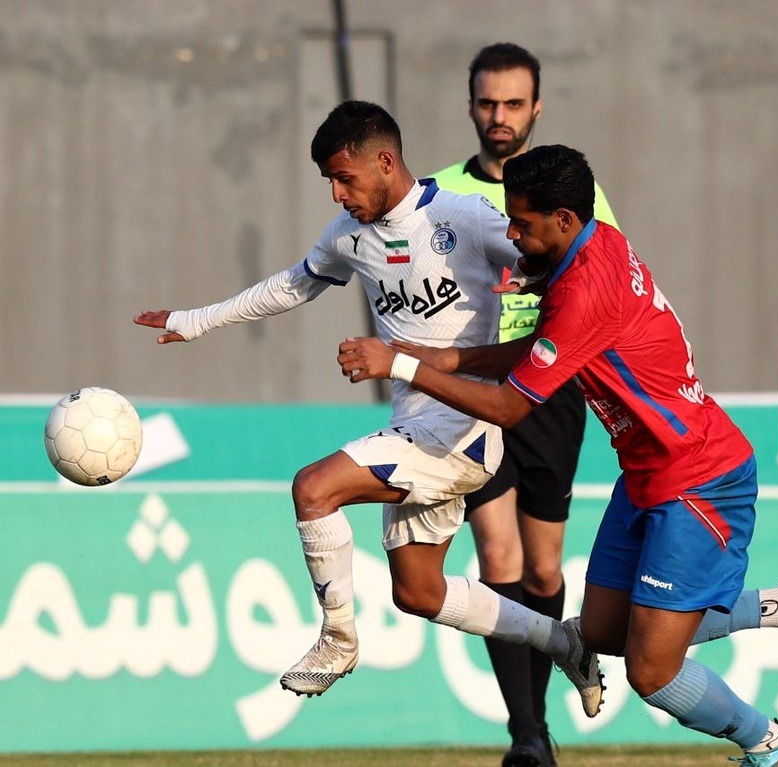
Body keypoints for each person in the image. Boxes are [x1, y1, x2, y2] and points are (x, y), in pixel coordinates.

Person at [334, 144, 778, 767]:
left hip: (700, 480)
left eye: (521, 223)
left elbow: (509, 407)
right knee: (601, 632)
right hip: (648, 474)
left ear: (564, 219)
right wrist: (449, 357)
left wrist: (403, 365)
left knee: (652, 672)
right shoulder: (593, 244)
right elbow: (546, 346)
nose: (512, 236)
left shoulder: (582, 289)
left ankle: (769, 744)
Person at [132, 101, 607, 710]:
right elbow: (291, 285)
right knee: (418, 592)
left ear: (385, 162)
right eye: (329, 181)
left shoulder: (464, 218)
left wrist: (533, 291)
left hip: (463, 432)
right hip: (412, 427)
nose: (337, 194)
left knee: (314, 489)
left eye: (344, 178)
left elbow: (550, 260)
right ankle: (563, 641)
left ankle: (337, 639)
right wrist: (196, 320)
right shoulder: (349, 235)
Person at [430, 42, 618, 767]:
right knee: (497, 552)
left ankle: (537, 717)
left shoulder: (576, 194)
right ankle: (527, 733)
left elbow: (603, 280)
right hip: (476, 394)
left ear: (536, 107)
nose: (499, 116)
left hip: (551, 391)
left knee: (542, 569)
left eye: (513, 103)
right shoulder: (440, 193)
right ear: (470, 106)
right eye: (487, 103)